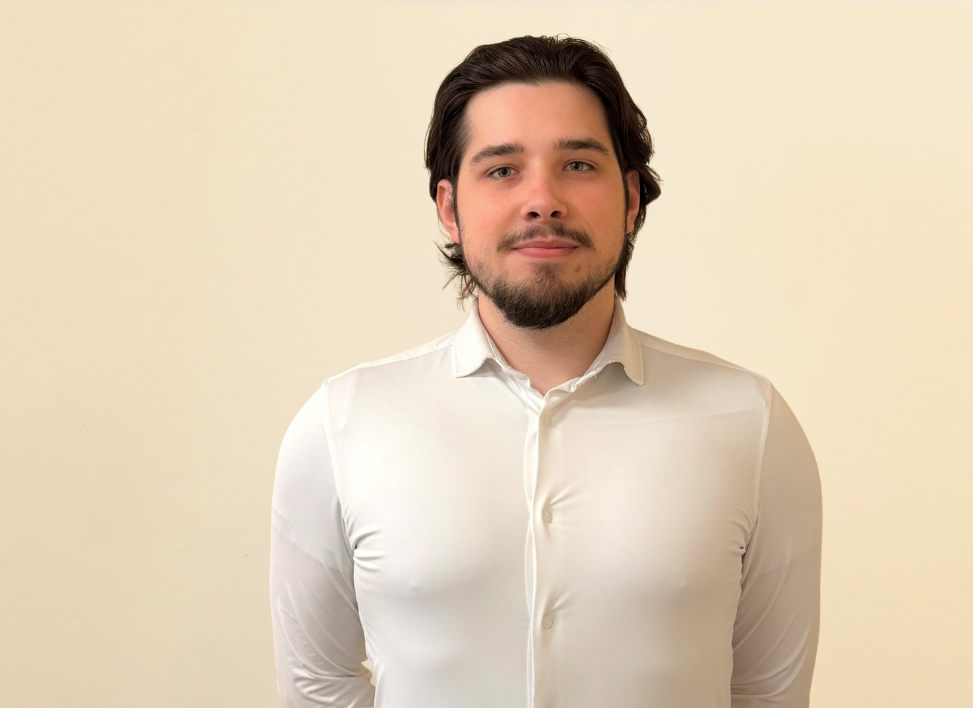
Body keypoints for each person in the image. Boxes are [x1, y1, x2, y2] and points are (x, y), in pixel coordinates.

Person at [270, 35, 822, 708]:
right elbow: (319, 685)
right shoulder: (343, 423)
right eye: (502, 169)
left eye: (578, 165)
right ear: (449, 208)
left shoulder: (750, 424)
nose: (543, 200)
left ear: (630, 199)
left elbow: (767, 695)